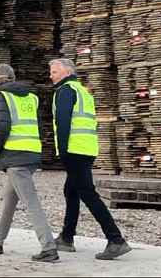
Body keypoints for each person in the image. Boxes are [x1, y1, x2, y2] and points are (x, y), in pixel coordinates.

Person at [50, 58, 132, 261]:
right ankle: (66, 238)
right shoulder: (82, 91)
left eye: (54, 71)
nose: (51, 75)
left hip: (74, 150)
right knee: (71, 191)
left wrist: (61, 151)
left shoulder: (66, 91)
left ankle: (116, 239)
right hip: (86, 148)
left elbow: (63, 122)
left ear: (67, 72)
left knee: (87, 193)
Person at [0, 64, 58, 263]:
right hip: (30, 153)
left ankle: (49, 247)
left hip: (15, 156)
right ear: (13, 77)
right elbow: (39, 126)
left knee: (31, 202)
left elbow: (2, 128)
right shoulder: (32, 97)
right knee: (9, 198)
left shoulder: (0, 99)